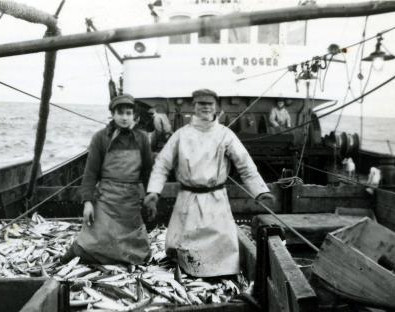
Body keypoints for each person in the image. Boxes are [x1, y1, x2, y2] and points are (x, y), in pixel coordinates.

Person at [143, 89, 274, 277]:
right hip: (187, 200)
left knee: (220, 251)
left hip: (216, 200)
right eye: (201, 104)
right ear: (193, 106)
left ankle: (220, 274)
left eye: (209, 104)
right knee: (182, 251)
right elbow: (162, 164)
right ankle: (186, 271)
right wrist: (153, 192)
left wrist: (260, 191)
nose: (205, 107)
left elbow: (245, 164)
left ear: (216, 107)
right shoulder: (181, 135)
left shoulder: (225, 134)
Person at [61, 94, 153, 265]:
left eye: (128, 113)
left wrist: (150, 196)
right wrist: (87, 202)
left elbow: (148, 171)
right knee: (92, 240)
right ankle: (68, 258)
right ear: (113, 114)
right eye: (120, 113)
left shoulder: (142, 139)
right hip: (106, 197)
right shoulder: (100, 138)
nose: (124, 117)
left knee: (138, 251)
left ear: (134, 115)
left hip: (130, 199)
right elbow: (90, 173)